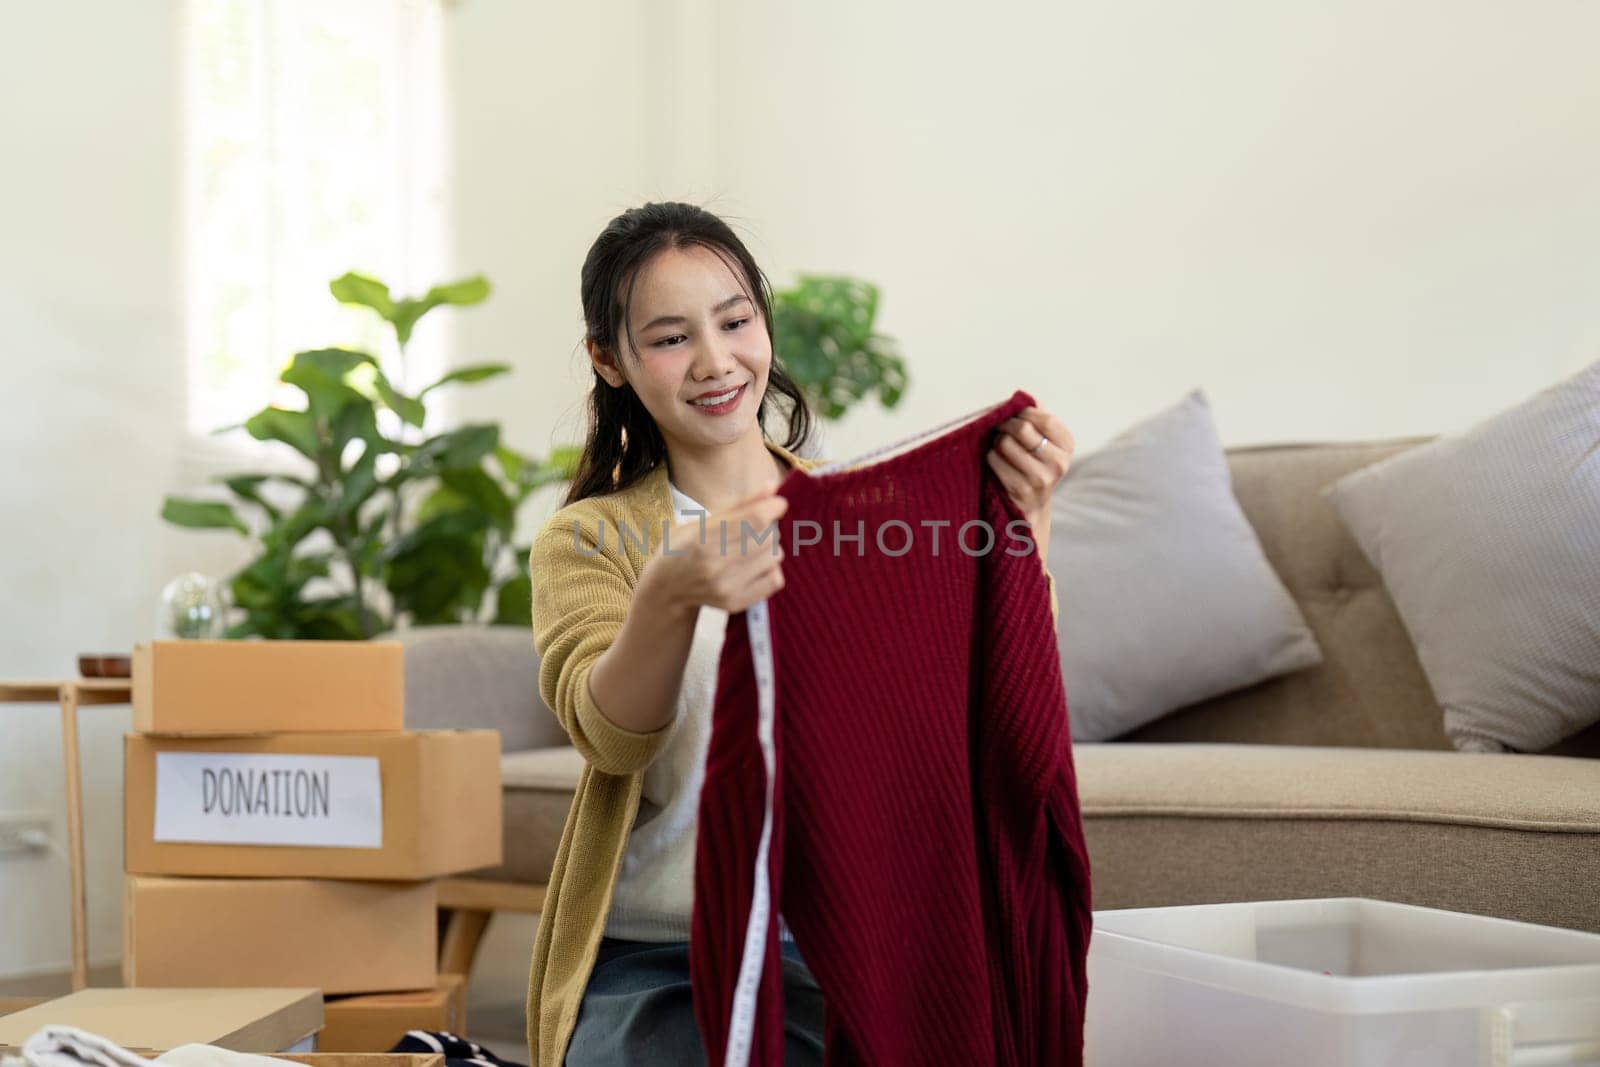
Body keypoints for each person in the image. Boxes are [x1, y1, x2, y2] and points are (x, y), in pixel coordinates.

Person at [525, 201, 1075, 1067]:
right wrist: (669, 594)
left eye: (735, 321)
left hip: (847, 942)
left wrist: (1027, 524)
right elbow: (609, 736)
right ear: (610, 360)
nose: (715, 361)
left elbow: (998, 698)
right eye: (670, 339)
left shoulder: (864, 515)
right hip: (663, 957)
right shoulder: (594, 539)